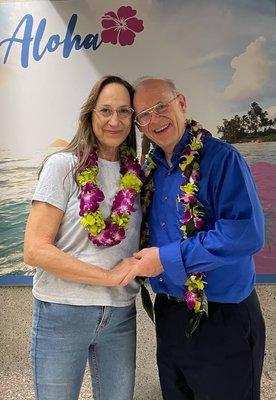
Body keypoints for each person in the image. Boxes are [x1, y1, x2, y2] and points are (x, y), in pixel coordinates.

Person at [120, 77, 266, 400]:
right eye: (144, 114)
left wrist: (166, 259)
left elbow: (245, 233)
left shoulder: (222, 159)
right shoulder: (149, 172)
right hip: (170, 317)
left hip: (223, 317)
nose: (154, 120)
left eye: (161, 107)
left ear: (181, 103)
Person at [24, 75, 143, 400]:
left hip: (120, 315)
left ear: (133, 117)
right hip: (63, 312)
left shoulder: (136, 174)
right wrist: (107, 277)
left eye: (124, 111)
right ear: (90, 114)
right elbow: (34, 250)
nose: (115, 120)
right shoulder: (63, 166)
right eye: (105, 110)